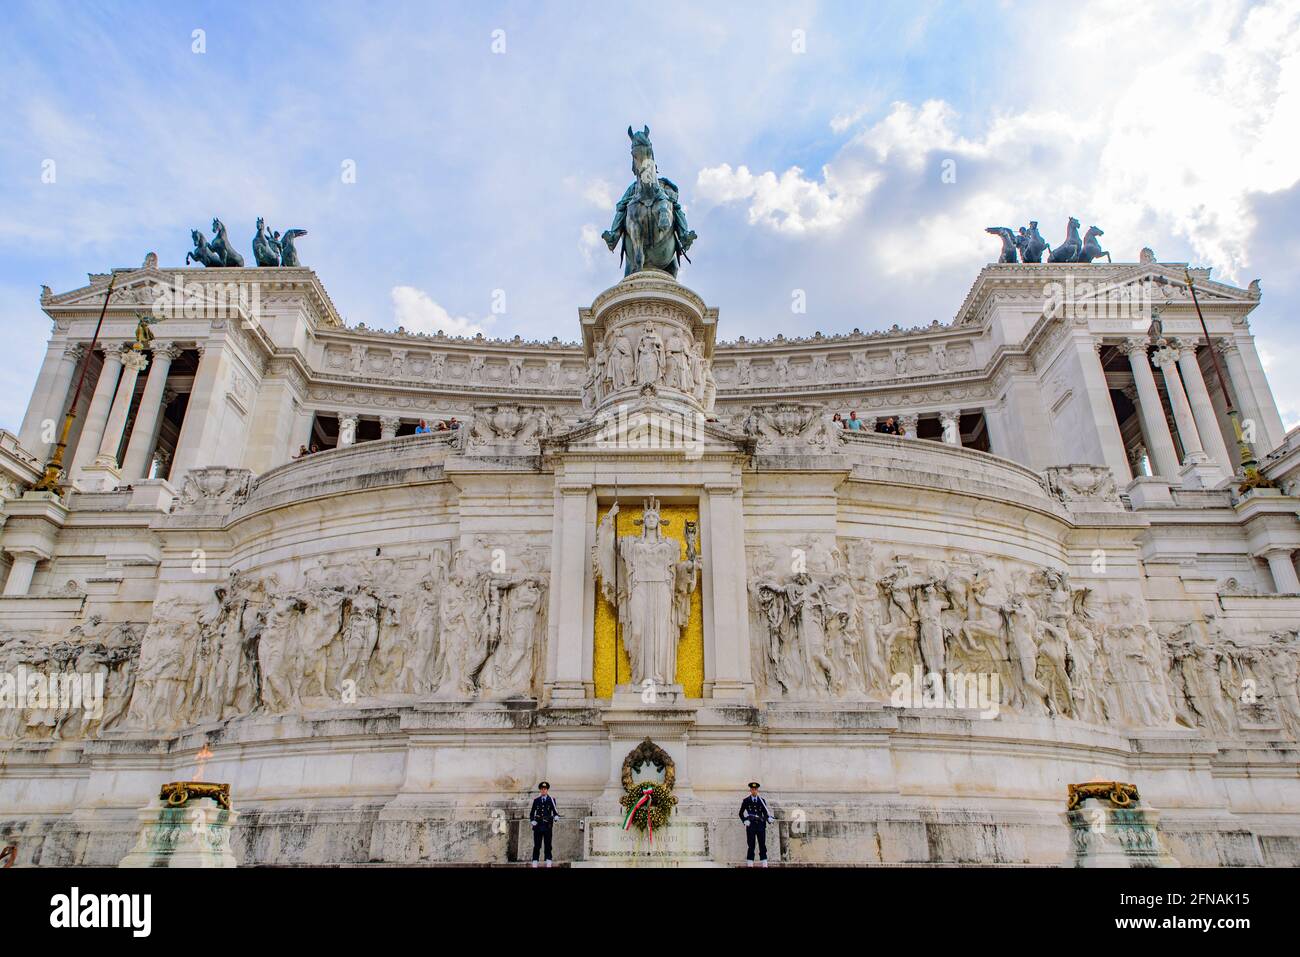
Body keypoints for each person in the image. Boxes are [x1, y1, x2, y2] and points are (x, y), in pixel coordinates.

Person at [738, 781, 773, 867]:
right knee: (751, 845)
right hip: (751, 826)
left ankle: (764, 864)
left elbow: (765, 813)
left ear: (757, 790)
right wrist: (745, 820)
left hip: (760, 826)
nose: (754, 791)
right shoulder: (746, 801)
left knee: (762, 845)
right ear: (750, 790)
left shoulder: (762, 801)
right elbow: (741, 813)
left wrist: (768, 818)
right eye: (752, 789)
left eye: (755, 789)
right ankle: (750, 864)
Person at [529, 780, 559, 867]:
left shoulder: (551, 800)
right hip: (537, 826)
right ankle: (535, 862)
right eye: (542, 789)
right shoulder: (536, 800)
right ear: (540, 790)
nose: (543, 790)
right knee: (537, 845)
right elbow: (532, 813)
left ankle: (548, 862)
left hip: (547, 826)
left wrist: (556, 817)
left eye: (545, 789)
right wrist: (532, 821)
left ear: (547, 790)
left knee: (548, 845)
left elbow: (555, 812)